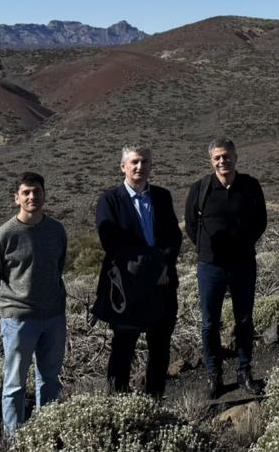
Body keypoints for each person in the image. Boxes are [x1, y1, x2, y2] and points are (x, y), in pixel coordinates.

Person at [92, 145, 182, 398]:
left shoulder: (162, 197)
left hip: (164, 285)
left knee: (160, 347)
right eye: (134, 163)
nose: (139, 167)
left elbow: (173, 237)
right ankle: (117, 404)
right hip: (127, 288)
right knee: (123, 348)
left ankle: (154, 402)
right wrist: (154, 268)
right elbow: (112, 244)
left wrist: (164, 266)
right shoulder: (109, 201)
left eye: (144, 162)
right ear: (123, 167)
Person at [0, 172, 67, 433]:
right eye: (26, 192)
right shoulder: (4, 236)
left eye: (37, 191)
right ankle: (13, 439)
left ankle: (46, 434)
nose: (32, 196)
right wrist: (8, 309)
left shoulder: (56, 230)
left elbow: (58, 266)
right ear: (16, 198)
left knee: (50, 380)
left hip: (53, 316)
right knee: (15, 383)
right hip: (18, 319)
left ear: (44, 194)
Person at [184, 138, 267, 398]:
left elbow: (261, 221)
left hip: (243, 263)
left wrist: (243, 243)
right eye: (218, 157)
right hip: (211, 266)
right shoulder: (200, 189)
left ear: (235, 156)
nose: (223, 161)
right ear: (211, 160)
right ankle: (214, 373)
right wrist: (206, 248)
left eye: (227, 156)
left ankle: (244, 371)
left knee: (244, 319)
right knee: (209, 322)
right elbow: (190, 225)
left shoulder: (250, 186)